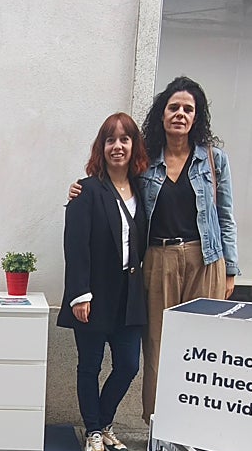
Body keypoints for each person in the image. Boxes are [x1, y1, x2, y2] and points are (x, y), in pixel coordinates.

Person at [68, 76, 238, 424]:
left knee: (203, 343)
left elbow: (225, 216)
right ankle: (161, 420)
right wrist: (80, 189)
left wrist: (231, 268)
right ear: (162, 114)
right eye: (173, 107)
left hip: (206, 259)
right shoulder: (147, 164)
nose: (180, 114)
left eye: (188, 109)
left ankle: (199, 422)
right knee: (158, 346)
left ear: (197, 116)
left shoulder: (214, 160)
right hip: (159, 260)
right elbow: (113, 185)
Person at [58, 113, 149, 451]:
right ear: (102, 147)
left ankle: (105, 420)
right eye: (111, 140)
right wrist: (79, 294)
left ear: (133, 146)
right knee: (89, 367)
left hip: (130, 294)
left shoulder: (142, 189)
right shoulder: (87, 190)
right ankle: (93, 430)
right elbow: (75, 246)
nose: (118, 146)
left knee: (128, 365)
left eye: (125, 139)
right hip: (94, 295)